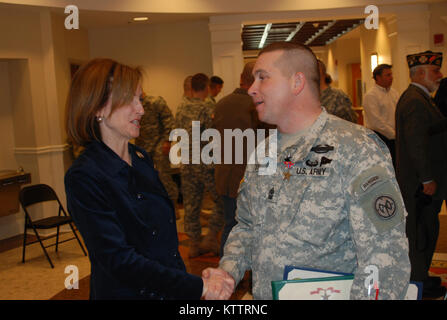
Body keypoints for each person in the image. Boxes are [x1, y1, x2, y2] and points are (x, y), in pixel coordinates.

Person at [205, 42, 411, 300]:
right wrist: (228, 271)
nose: (252, 88)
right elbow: (246, 226)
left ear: (296, 82)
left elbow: (385, 256)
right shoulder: (264, 151)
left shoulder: (356, 148)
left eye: (262, 78)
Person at [64, 58, 233, 300]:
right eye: (129, 100)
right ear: (97, 108)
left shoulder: (141, 158)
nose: (141, 109)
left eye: (140, 99)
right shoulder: (85, 176)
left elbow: (163, 245)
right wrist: (198, 287)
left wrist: (188, 285)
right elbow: (119, 260)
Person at [395, 50, 446, 298]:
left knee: (425, 229)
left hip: (421, 182)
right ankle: (418, 282)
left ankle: (422, 277)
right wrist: (427, 178)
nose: (440, 75)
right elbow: (416, 144)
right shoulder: (415, 100)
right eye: (435, 71)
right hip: (419, 184)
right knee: (419, 232)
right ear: (421, 73)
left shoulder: (422, 98)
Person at [175, 73, 225, 258]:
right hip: (206, 165)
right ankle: (211, 236)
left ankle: (195, 244)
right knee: (222, 201)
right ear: (206, 87)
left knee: (191, 205)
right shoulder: (207, 107)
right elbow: (216, 136)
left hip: (187, 164)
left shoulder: (180, 107)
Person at [213, 61, 259, 256]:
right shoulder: (258, 105)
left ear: (241, 78)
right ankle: (252, 281)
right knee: (255, 230)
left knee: (230, 226)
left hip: (225, 177)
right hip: (250, 179)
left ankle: (226, 275)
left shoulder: (221, 104)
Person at [135, 92, 179, 217]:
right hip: (143, 147)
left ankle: (172, 206)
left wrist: (167, 142)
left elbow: (169, 121)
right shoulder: (131, 104)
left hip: (159, 146)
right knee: (144, 180)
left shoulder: (156, 101)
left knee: (164, 178)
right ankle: (153, 209)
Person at [363, 64, 400, 167]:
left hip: (395, 137)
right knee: (386, 167)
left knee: (397, 167)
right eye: (388, 75)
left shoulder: (394, 93)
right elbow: (376, 122)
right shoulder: (371, 95)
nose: (391, 77)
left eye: (391, 74)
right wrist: (394, 134)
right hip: (380, 138)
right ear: (378, 78)